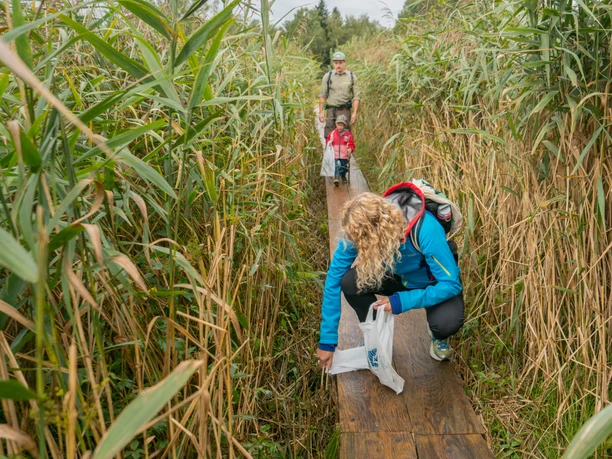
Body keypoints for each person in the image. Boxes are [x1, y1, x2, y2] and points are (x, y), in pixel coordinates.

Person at [316, 184, 464, 370]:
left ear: (380, 235)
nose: (360, 247)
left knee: (446, 324)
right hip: (398, 276)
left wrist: (401, 301)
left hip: (432, 282)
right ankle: (375, 337)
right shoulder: (358, 232)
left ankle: (439, 336)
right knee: (349, 282)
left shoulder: (426, 229)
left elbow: (451, 284)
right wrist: (327, 341)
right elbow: (333, 280)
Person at [319, 51, 361, 140]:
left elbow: (356, 96)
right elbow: (323, 95)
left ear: (345, 62)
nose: (338, 65)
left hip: (345, 111)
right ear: (333, 63)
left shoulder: (351, 77)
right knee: (329, 135)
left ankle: (344, 153)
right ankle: (329, 153)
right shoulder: (328, 76)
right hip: (331, 111)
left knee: (345, 136)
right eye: (336, 63)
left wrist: (354, 113)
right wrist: (321, 112)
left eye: (340, 63)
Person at [326, 114, 355, 186]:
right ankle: (336, 178)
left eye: (341, 125)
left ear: (344, 126)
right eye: (338, 125)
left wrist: (350, 149)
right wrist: (329, 144)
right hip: (335, 154)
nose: (340, 127)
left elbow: (351, 144)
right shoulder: (332, 133)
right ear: (336, 124)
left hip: (344, 155)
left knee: (344, 167)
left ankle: (343, 175)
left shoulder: (348, 135)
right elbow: (328, 140)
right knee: (336, 166)